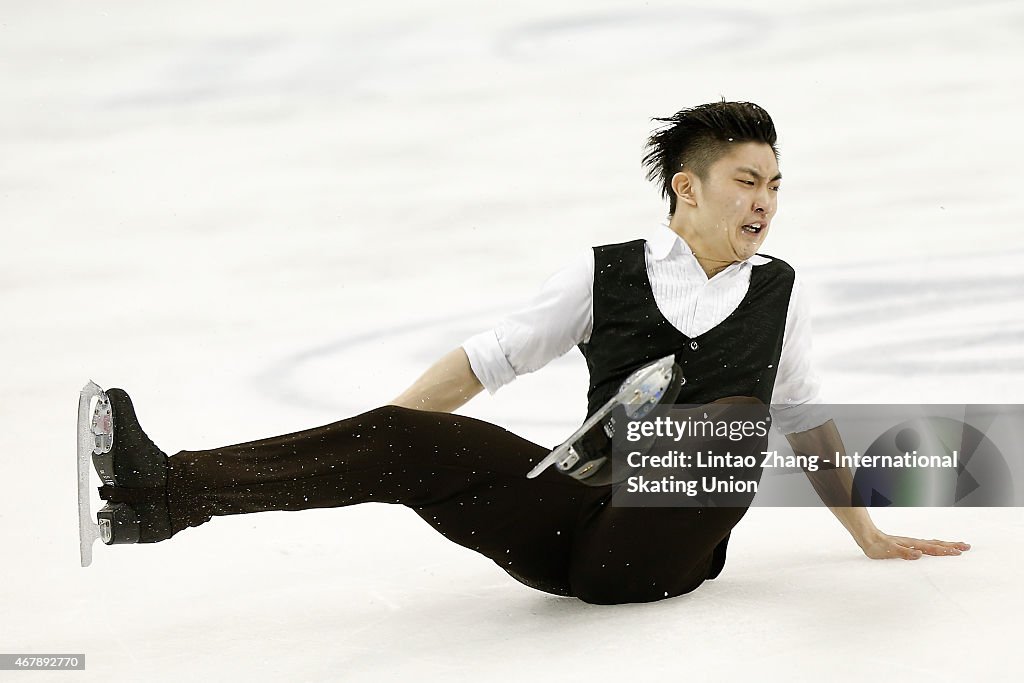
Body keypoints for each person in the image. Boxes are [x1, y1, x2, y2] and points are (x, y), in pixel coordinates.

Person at [91, 100, 970, 605]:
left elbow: (809, 422)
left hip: (663, 553)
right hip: (566, 529)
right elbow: (484, 363)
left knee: (742, 420)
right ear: (687, 187)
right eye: (748, 181)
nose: (766, 202)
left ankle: (627, 451)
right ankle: (163, 492)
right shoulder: (604, 274)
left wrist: (869, 533)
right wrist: (396, 437)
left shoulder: (780, 290)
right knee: (409, 436)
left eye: (775, 185)